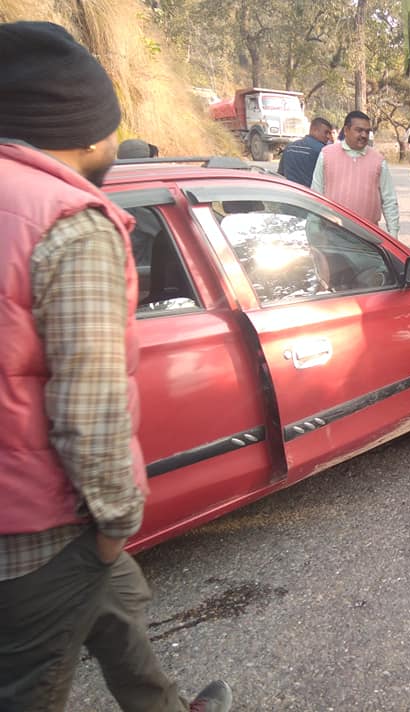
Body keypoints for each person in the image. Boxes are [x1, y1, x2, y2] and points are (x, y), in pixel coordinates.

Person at [0, 21, 231, 712]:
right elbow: (92, 406)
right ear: (85, 130)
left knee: (120, 603)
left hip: (33, 513)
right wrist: (114, 524)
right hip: (40, 528)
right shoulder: (71, 223)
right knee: (32, 686)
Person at [311, 110, 399, 236]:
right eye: (359, 130)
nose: (364, 135)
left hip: (367, 236)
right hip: (332, 234)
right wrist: (314, 230)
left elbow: (389, 200)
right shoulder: (326, 155)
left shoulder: (378, 160)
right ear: (346, 130)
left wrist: (393, 233)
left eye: (367, 131)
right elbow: (316, 194)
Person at [278, 116, 332, 187]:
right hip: (309, 192)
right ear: (314, 130)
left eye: (330, 133)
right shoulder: (323, 151)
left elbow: (280, 174)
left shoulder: (289, 147)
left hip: (289, 191)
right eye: (326, 132)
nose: (328, 137)